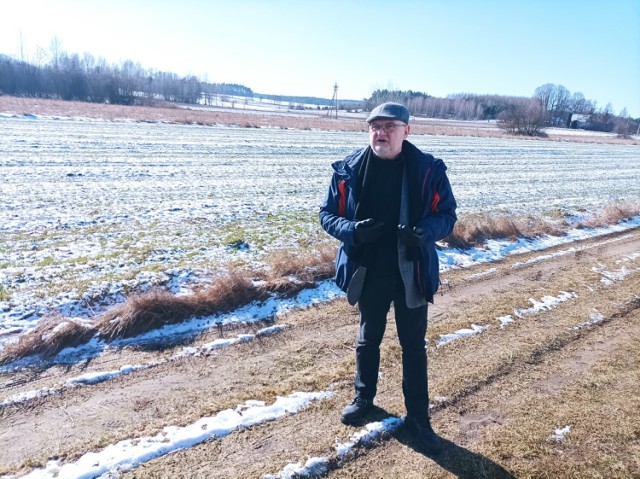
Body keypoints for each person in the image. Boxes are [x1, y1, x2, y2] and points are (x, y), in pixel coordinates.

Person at [319, 102, 457, 455]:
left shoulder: (427, 169)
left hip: (410, 271)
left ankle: (418, 420)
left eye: (390, 126)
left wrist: (424, 233)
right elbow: (326, 214)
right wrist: (352, 231)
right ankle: (364, 398)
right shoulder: (349, 169)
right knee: (368, 339)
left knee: (413, 347)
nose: (381, 132)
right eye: (375, 126)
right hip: (369, 271)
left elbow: (446, 215)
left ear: (406, 130)